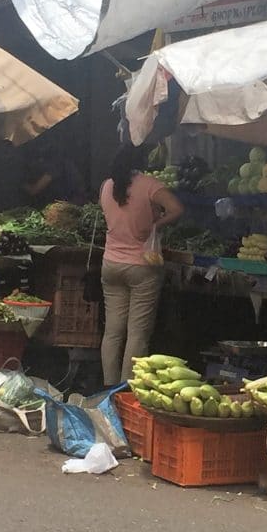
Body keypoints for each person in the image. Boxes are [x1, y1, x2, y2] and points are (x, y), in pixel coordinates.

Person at [99, 143, 184, 385]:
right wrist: (156, 224)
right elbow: (177, 209)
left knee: (113, 331)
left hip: (111, 263)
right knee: (138, 333)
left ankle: (108, 386)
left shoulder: (107, 186)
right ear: (141, 161)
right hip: (142, 266)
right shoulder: (148, 184)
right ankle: (127, 389)